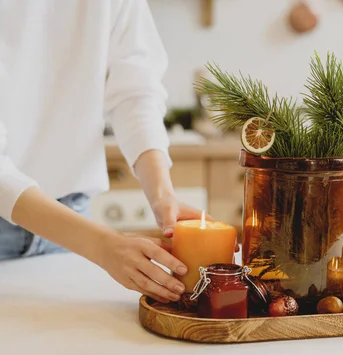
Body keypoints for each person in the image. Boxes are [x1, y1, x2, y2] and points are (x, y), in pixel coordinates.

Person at [0, 0, 202, 304]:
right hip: (78, 235)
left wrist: (163, 196)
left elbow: (136, 93)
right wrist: (101, 246)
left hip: (71, 224)